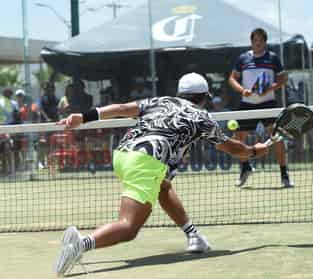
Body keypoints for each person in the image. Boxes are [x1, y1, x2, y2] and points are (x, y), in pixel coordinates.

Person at [54, 72, 269, 276]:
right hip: (146, 162)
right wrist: (252, 151)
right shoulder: (202, 118)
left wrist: (83, 117)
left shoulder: (160, 101)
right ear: (203, 98)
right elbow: (231, 147)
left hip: (122, 154)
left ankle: (193, 235)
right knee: (129, 227)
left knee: (163, 186)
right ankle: (80, 244)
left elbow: (121, 108)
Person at [228, 27, 292, 188]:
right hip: (246, 104)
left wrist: (269, 88)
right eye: (254, 40)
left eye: (260, 40)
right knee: (237, 139)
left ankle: (284, 174)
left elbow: (283, 78)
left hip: (268, 104)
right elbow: (232, 79)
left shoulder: (272, 58)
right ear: (251, 42)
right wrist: (243, 90)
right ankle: (245, 168)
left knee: (277, 138)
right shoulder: (243, 58)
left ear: (265, 42)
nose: (257, 43)